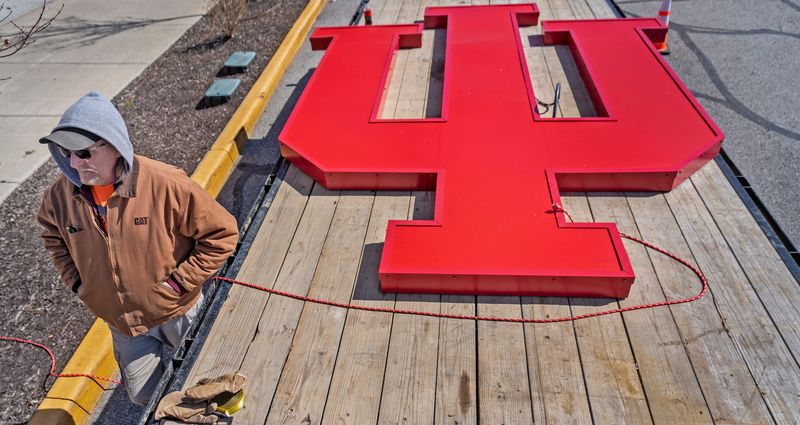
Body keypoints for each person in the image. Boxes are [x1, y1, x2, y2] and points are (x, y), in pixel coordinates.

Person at [37, 92, 239, 405]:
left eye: (84, 153)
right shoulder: (59, 198)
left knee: (211, 391)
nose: (74, 163)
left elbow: (222, 233)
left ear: (114, 146)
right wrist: (79, 284)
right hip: (124, 326)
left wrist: (178, 283)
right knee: (146, 398)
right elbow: (53, 236)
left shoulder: (166, 184)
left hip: (178, 309)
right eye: (67, 152)